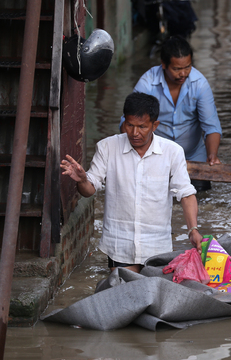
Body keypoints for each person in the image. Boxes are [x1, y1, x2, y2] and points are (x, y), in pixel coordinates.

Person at [61, 92, 202, 273]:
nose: (135, 133)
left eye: (142, 127)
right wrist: (82, 180)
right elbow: (89, 189)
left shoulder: (172, 152)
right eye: (130, 125)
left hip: (157, 245)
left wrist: (193, 229)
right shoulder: (107, 147)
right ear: (124, 122)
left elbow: (186, 194)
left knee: (154, 296)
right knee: (122, 293)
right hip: (120, 244)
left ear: (155, 125)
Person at [122, 36, 222, 191]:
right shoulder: (147, 83)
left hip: (194, 157)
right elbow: (127, 123)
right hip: (156, 156)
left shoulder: (200, 85)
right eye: (177, 69)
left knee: (202, 200)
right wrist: (137, 153)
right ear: (163, 65)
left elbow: (211, 127)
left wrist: (212, 156)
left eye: (187, 67)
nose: (183, 73)